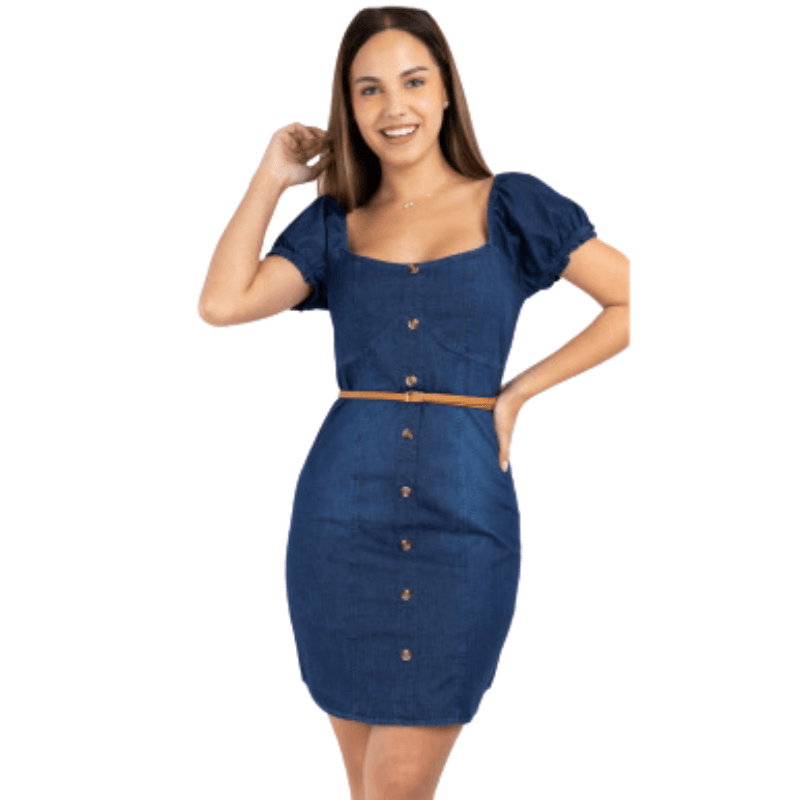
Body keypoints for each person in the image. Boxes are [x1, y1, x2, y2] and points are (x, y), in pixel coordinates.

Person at [199, 7, 630, 800]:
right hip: (339, 523)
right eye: (369, 89)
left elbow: (631, 300)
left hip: (464, 518)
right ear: (349, 108)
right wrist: (271, 175)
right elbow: (223, 303)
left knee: (396, 787)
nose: (393, 106)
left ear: (446, 93)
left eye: (413, 82)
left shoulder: (512, 205)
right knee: (370, 790)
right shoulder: (337, 223)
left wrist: (519, 393)